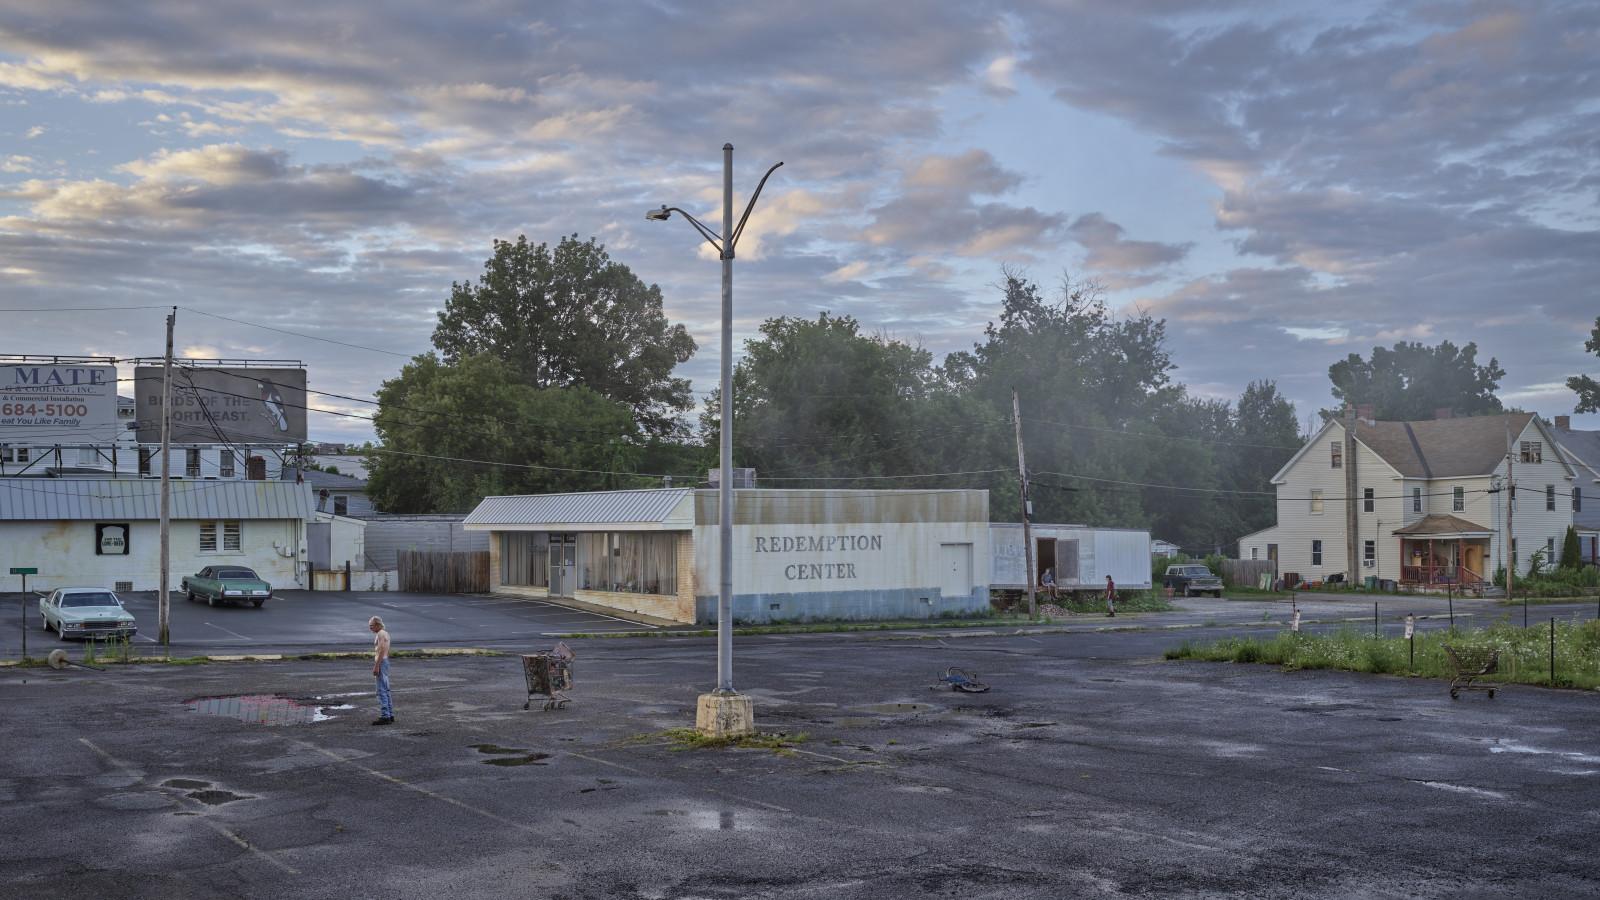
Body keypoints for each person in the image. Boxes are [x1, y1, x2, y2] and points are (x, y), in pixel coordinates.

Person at [369, 616, 394, 725]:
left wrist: (377, 665)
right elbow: (387, 651)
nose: (370, 628)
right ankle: (390, 714)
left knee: (381, 690)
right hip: (385, 661)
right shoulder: (386, 633)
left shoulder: (380, 634)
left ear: (378, 624)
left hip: (381, 662)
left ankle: (385, 716)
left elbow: (382, 649)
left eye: (372, 625)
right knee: (386, 689)